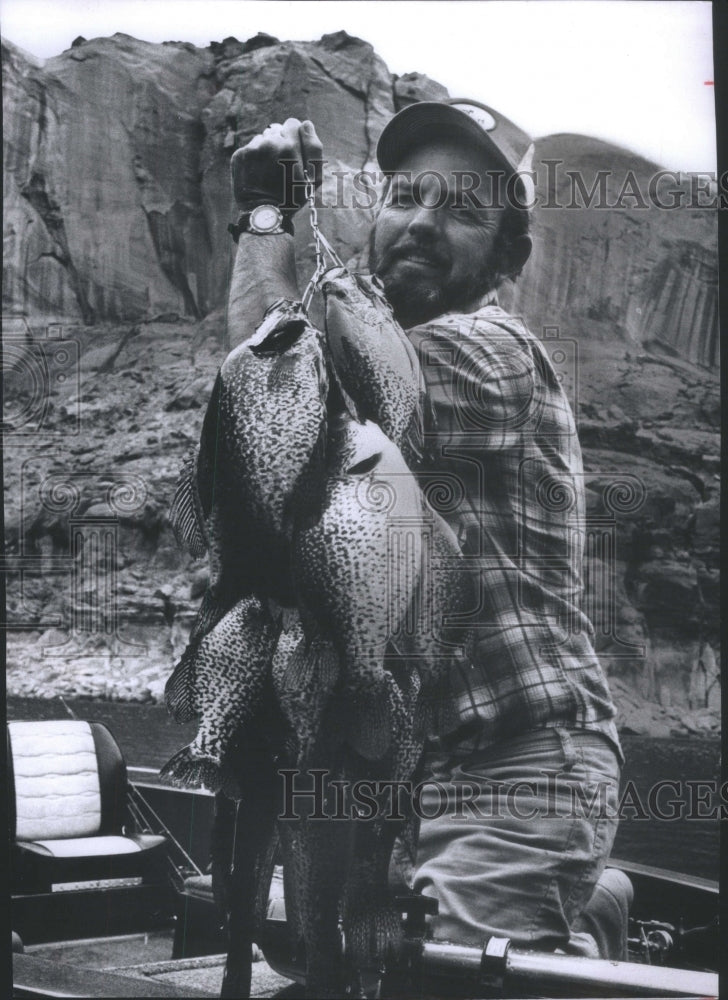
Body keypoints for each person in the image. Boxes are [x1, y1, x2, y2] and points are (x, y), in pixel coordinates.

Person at [224, 99, 625, 960]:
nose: (424, 223)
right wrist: (272, 219)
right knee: (323, 957)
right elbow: (261, 401)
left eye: (464, 209)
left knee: (444, 983)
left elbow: (288, 392)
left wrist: (273, 217)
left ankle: (556, 897)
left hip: (519, 766)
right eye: (406, 195)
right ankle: (586, 915)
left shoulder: (493, 350)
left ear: (508, 257)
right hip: (413, 777)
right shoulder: (372, 345)